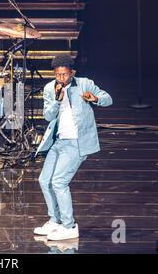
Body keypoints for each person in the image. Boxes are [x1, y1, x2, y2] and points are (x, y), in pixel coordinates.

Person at [33, 55, 113, 241]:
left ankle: (69, 226)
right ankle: (55, 220)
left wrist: (95, 99)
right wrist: (57, 100)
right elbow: (48, 116)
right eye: (58, 75)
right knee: (45, 180)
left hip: (77, 142)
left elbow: (108, 98)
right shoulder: (49, 88)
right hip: (58, 142)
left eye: (65, 75)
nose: (61, 78)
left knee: (59, 182)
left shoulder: (84, 84)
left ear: (72, 73)